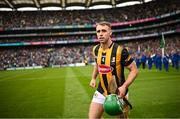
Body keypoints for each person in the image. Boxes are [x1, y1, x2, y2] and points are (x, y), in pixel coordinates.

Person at [88, 21, 138, 119]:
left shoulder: (120, 51)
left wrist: (124, 86)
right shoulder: (96, 49)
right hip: (101, 91)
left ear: (110, 32)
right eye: (98, 31)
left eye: (104, 31)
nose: (101, 34)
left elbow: (134, 70)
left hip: (119, 92)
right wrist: (93, 78)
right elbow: (98, 64)